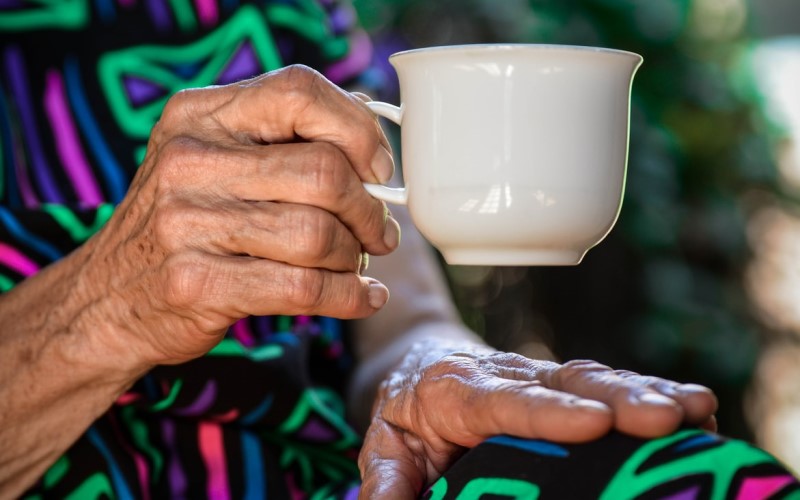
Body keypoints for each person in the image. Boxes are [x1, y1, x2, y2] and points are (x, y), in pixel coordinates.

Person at [0, 0, 796, 498]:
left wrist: (427, 368)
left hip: (350, 480)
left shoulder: (287, 14)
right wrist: (98, 310)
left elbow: (398, 313)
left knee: (681, 478)